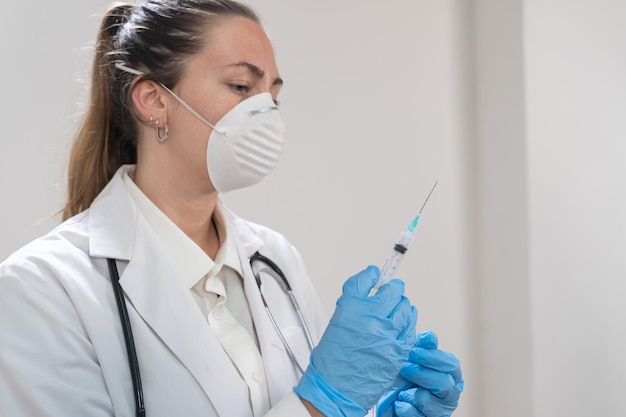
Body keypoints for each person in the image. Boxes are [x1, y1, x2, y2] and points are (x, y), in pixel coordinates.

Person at [0, 1, 463, 416]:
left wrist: (371, 411)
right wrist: (322, 404)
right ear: (153, 100)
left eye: (272, 97)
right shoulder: (42, 290)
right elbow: (314, 404)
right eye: (241, 86)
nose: (265, 115)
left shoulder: (276, 260)